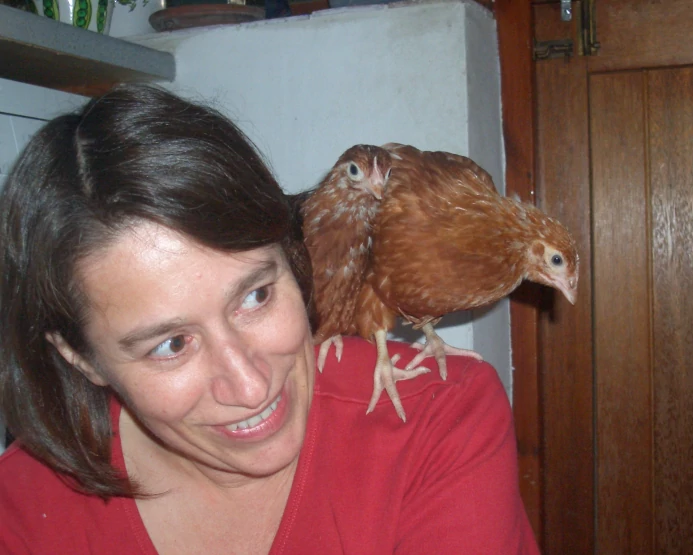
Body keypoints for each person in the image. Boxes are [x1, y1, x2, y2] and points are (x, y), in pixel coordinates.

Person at [0, 84, 539, 554]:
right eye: (171, 345)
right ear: (80, 358)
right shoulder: (21, 504)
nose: (251, 386)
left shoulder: (438, 420)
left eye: (255, 296)